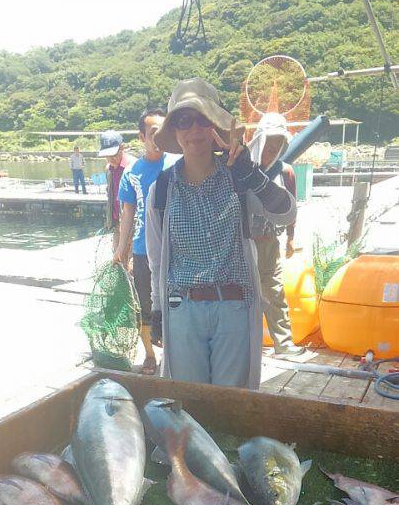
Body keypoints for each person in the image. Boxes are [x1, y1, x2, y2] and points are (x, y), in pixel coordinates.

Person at [145, 78, 296, 389]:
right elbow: (157, 257)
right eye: (183, 120)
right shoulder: (160, 190)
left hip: (235, 309)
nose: (194, 130)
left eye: (203, 119)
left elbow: (286, 212)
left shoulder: (240, 177)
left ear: (216, 127)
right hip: (182, 309)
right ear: (174, 130)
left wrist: (252, 175)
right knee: (190, 404)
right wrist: (157, 310)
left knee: (232, 406)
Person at [114, 108, 176, 375]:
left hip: (175, 249)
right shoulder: (132, 172)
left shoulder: (177, 165)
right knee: (145, 307)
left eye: (163, 132)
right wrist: (121, 250)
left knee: (175, 304)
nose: (158, 138)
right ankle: (150, 355)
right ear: (141, 136)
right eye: (153, 133)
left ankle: (174, 354)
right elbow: (127, 213)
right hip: (142, 251)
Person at [249, 113, 304, 356]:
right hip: (244, 242)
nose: (271, 151)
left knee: (274, 291)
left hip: (270, 242)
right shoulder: (243, 168)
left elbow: (291, 207)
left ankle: (283, 343)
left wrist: (291, 238)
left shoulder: (286, 172)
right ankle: (249, 343)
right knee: (246, 294)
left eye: (277, 146)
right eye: (268, 145)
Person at [98, 130, 136, 260]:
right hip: (117, 224)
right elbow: (111, 195)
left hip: (134, 224)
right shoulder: (108, 168)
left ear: (122, 148)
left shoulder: (134, 167)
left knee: (133, 264)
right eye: (106, 155)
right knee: (118, 261)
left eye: (113, 155)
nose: (109, 159)